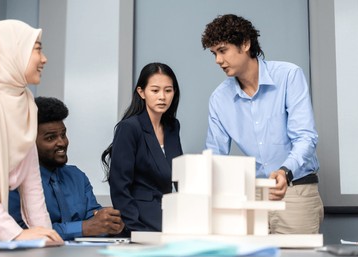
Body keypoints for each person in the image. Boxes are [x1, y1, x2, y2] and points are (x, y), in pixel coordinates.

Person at [201, 14, 323, 234]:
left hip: (296, 192)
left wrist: (285, 171)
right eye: (214, 53)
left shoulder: (289, 76)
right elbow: (215, 155)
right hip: (251, 198)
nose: (217, 60)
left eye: (222, 50)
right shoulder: (219, 99)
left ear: (245, 44)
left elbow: (306, 137)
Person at [0, 19, 63, 242]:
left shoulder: (26, 102)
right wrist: (16, 233)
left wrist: (49, 237)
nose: (44, 59)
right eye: (37, 49)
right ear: (11, 50)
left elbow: (32, 185)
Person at [9, 97, 125, 241]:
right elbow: (20, 231)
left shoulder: (77, 176)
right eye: (50, 138)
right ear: (29, 142)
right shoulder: (15, 181)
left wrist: (108, 222)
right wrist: (83, 228)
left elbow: (92, 218)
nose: (62, 143)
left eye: (63, 134)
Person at [101, 62, 183, 233]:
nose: (162, 96)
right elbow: (119, 186)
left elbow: (179, 175)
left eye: (168, 90)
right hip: (139, 218)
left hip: (168, 213)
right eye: (155, 90)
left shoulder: (172, 126)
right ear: (141, 92)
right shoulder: (129, 128)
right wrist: (135, 228)